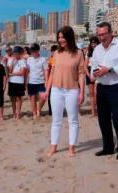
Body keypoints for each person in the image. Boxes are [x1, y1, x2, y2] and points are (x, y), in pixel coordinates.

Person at [90, 22, 118, 160]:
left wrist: (109, 69)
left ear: (111, 33)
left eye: (104, 34)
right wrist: (95, 73)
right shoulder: (97, 50)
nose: (102, 37)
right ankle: (108, 147)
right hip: (101, 86)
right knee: (103, 119)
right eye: (99, 34)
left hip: (117, 86)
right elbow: (93, 67)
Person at [43, 26, 85, 157]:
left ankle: (71, 148)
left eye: (63, 37)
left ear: (69, 37)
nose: (61, 40)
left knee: (73, 120)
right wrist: (47, 90)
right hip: (56, 90)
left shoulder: (78, 54)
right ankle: (53, 147)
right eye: (59, 37)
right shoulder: (56, 53)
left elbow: (81, 74)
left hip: (72, 90)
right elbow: (52, 73)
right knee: (56, 120)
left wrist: (82, 92)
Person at [26, 43, 49, 119]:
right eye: (32, 51)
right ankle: (34, 113)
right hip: (31, 82)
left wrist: (46, 81)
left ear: (38, 50)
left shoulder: (43, 59)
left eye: (34, 51)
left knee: (43, 97)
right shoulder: (29, 59)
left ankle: (38, 110)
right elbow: (27, 71)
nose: (33, 52)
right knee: (32, 98)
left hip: (41, 82)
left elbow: (46, 71)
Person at [7, 46, 27, 120]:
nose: (15, 54)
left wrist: (12, 74)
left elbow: (22, 72)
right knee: (13, 99)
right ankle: (14, 113)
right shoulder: (10, 60)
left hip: (19, 82)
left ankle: (18, 114)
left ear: (20, 53)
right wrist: (12, 61)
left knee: (19, 99)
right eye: (14, 53)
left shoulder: (23, 61)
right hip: (12, 82)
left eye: (17, 53)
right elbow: (9, 71)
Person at [85, 37, 99, 117]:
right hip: (89, 72)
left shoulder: (101, 51)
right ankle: (93, 113)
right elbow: (85, 66)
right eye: (92, 43)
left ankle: (98, 110)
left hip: (98, 71)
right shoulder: (88, 52)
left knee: (97, 93)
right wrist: (88, 75)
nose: (93, 44)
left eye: (95, 43)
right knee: (91, 94)